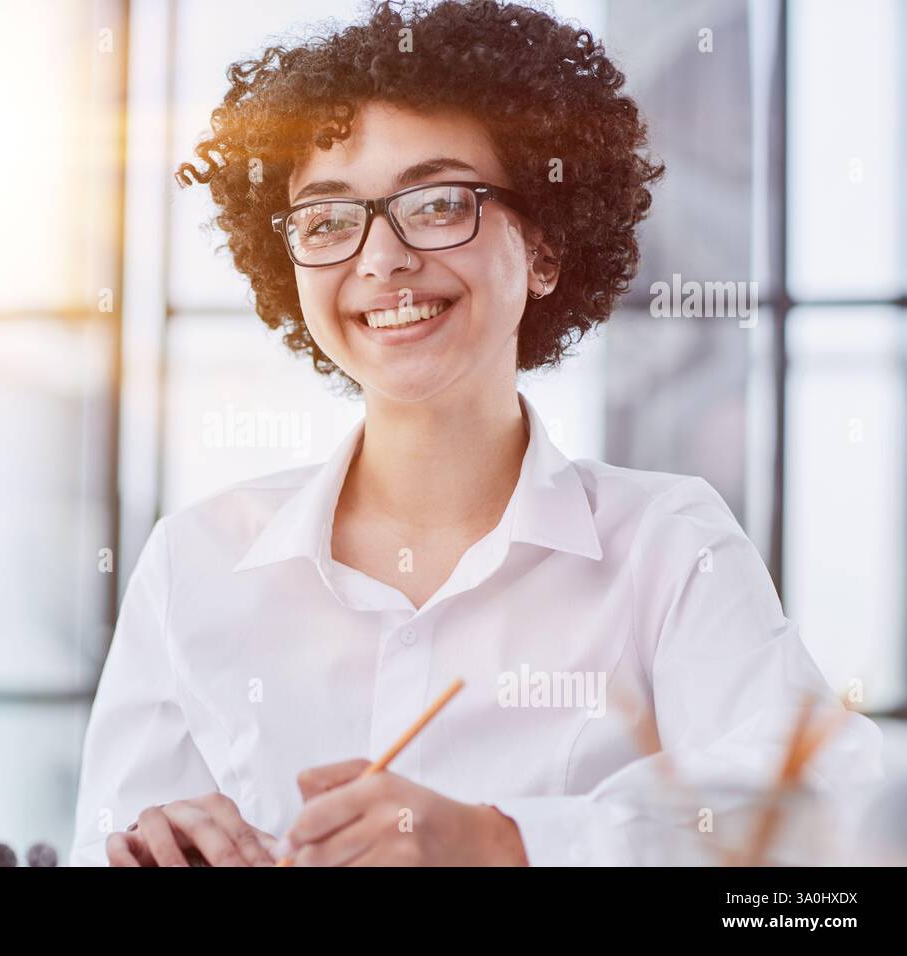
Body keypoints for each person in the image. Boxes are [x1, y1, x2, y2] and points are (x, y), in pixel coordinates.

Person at [68, 0, 882, 866]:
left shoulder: (667, 544)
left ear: (545, 250)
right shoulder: (193, 561)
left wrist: (506, 842)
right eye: (329, 219)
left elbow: (831, 816)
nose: (380, 260)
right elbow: (106, 843)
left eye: (440, 202)